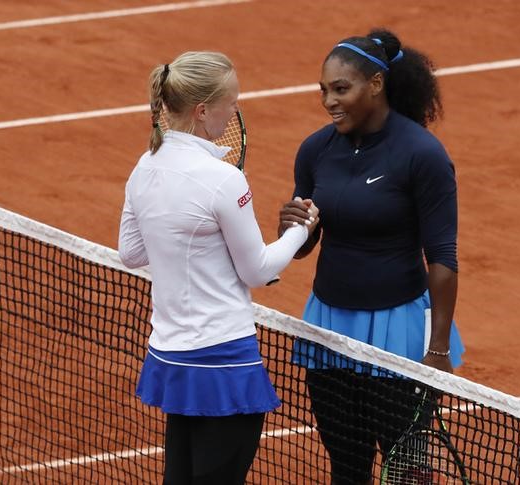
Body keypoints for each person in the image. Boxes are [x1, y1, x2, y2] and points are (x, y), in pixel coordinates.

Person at [118, 51, 319, 485]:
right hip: (224, 363)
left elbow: (131, 253)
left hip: (172, 357)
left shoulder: (144, 167)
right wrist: (301, 230)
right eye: (232, 102)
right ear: (203, 110)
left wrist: (190, 246)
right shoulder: (223, 180)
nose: (236, 110)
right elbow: (259, 272)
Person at [278, 29, 465, 484]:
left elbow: (441, 256)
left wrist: (437, 349)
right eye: (324, 90)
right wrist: (292, 230)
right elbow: (304, 248)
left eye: (341, 89)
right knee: (346, 464)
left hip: (398, 332)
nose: (328, 101)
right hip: (330, 328)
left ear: (376, 85)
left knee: (407, 472)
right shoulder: (316, 150)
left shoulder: (422, 155)